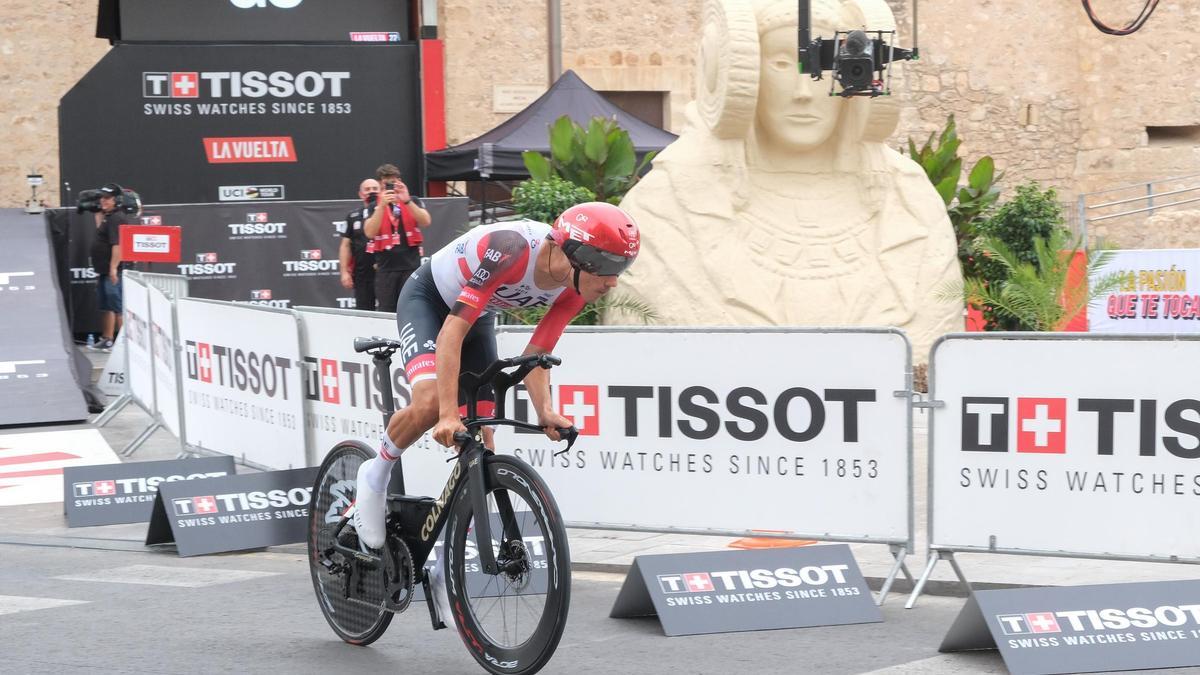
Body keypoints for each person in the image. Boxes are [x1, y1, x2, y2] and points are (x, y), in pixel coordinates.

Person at [616, 0, 961, 358]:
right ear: (738, 73)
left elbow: (935, 361)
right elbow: (646, 363)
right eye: (782, 63)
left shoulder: (910, 206)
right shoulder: (666, 206)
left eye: (825, 65)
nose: (803, 91)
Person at [352, 202, 641, 553]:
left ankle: (454, 562)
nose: (613, 281)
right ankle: (375, 474)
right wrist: (447, 413)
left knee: (482, 438)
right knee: (430, 404)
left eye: (622, 267)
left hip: (477, 315)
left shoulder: (578, 286)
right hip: (429, 301)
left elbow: (537, 354)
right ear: (573, 253)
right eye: (607, 266)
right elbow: (450, 334)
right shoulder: (511, 249)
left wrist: (545, 411)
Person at [362, 164, 432, 313]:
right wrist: (381, 207)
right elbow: (369, 232)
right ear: (380, 184)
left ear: (399, 181)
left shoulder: (412, 200)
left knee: (412, 309)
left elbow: (426, 221)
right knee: (387, 311)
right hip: (386, 269)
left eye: (393, 181)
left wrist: (406, 201)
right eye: (386, 182)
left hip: (410, 266)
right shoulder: (374, 206)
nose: (390, 186)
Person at [89, 183, 133, 351]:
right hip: (103, 270)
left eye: (107, 198)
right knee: (106, 306)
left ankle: (124, 343)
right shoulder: (108, 216)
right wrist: (98, 210)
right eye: (102, 197)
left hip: (113, 271)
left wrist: (113, 268)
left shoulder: (117, 218)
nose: (103, 201)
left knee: (117, 305)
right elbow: (100, 229)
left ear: (117, 200)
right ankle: (107, 339)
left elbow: (118, 245)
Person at [338, 178, 380, 311]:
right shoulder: (353, 216)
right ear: (361, 194)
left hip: (385, 271)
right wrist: (344, 272)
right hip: (362, 272)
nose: (371, 192)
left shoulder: (390, 212)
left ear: (381, 191)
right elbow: (345, 245)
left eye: (375, 189)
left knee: (389, 309)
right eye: (367, 190)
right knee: (364, 310)